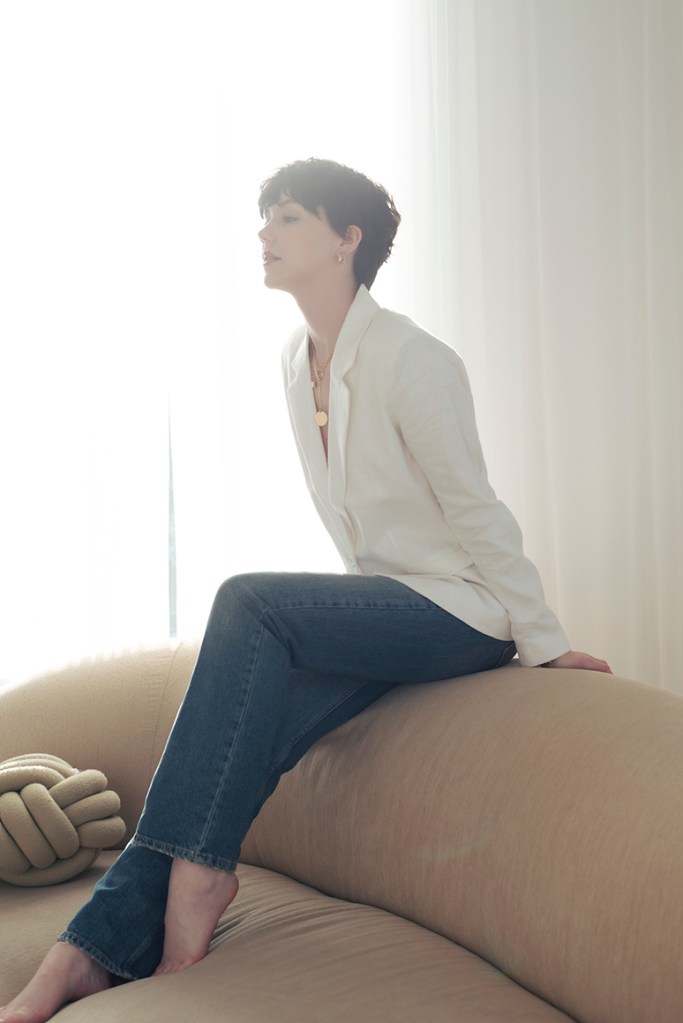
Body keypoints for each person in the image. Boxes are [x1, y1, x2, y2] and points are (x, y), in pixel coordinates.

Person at [0, 158, 611, 1023]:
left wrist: (544, 643)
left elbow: (477, 510)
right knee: (234, 745)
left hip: (460, 612)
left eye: (287, 216)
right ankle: (88, 953)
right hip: (386, 611)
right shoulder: (298, 361)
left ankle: (201, 874)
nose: (265, 233)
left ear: (346, 239)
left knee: (249, 601)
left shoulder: (413, 358)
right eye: (265, 217)